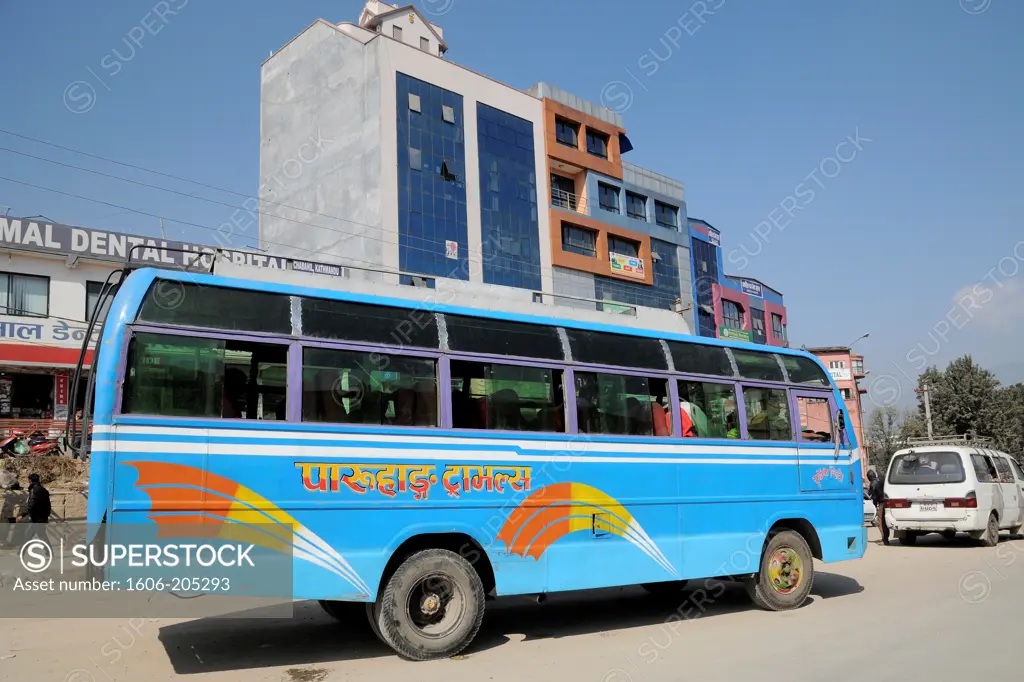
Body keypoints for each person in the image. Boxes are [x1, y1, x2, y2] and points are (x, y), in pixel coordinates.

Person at [867, 469, 888, 545]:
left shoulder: (873, 484)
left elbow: (874, 496)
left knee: (880, 522)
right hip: (887, 501)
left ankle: (885, 540)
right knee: (885, 521)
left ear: (869, 478)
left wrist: (875, 505)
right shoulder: (881, 479)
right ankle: (885, 538)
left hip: (881, 503)